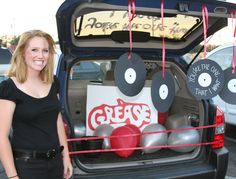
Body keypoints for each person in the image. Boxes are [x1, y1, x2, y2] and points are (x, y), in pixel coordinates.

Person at [0, 30, 73, 179]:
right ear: (22, 53)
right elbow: (1, 136)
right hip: (26, 167)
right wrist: (13, 176)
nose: (40, 56)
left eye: (45, 50)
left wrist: (66, 157)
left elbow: (57, 121)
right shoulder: (9, 88)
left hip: (55, 163)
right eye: (34, 50)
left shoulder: (53, 83)